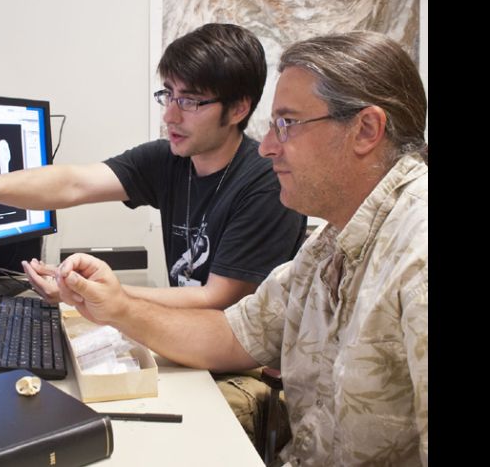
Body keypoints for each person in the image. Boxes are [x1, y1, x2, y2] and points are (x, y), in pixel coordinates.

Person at [53, 31, 428, 466]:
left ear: (365, 129)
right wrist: (116, 307)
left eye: (287, 123)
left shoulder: (417, 253)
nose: (267, 147)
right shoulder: (328, 248)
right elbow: (233, 335)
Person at [0, 23, 306, 312]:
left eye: (191, 101)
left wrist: (93, 294)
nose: (171, 117)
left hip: (234, 363)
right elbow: (72, 183)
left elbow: (216, 300)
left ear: (238, 108)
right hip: (184, 330)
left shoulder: (267, 183)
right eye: (168, 96)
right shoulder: (169, 159)